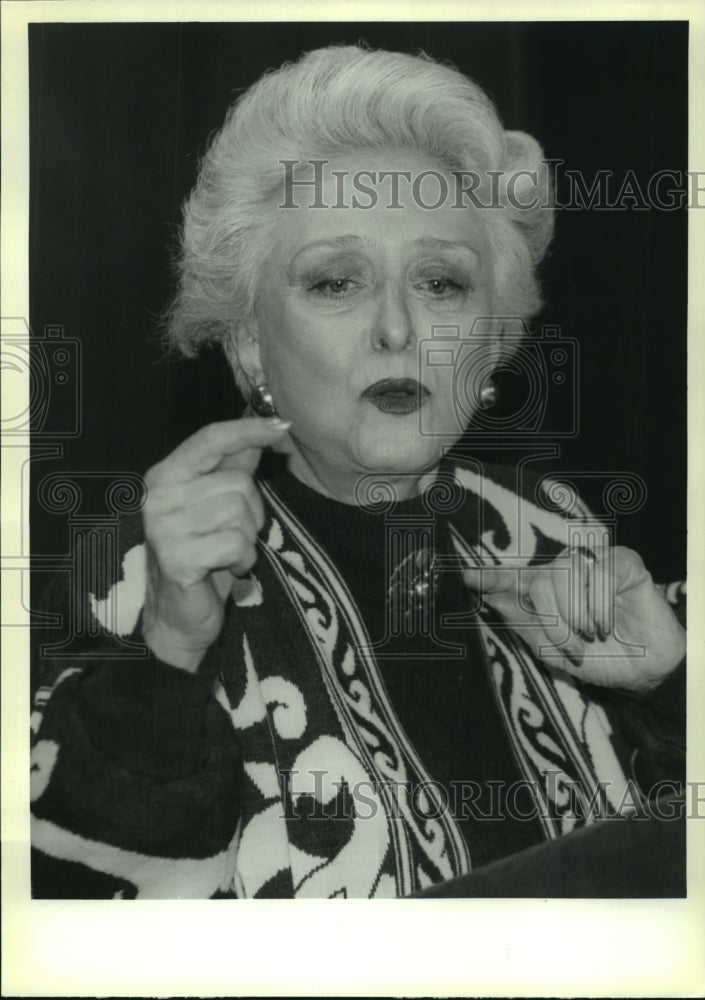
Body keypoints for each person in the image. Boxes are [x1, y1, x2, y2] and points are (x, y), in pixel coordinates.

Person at [30, 44, 686, 900]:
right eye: (336, 282)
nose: (395, 330)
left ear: (492, 339)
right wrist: (170, 657)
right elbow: (66, 922)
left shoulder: (555, 530)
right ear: (247, 339)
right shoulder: (132, 577)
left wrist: (669, 688)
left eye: (442, 284)